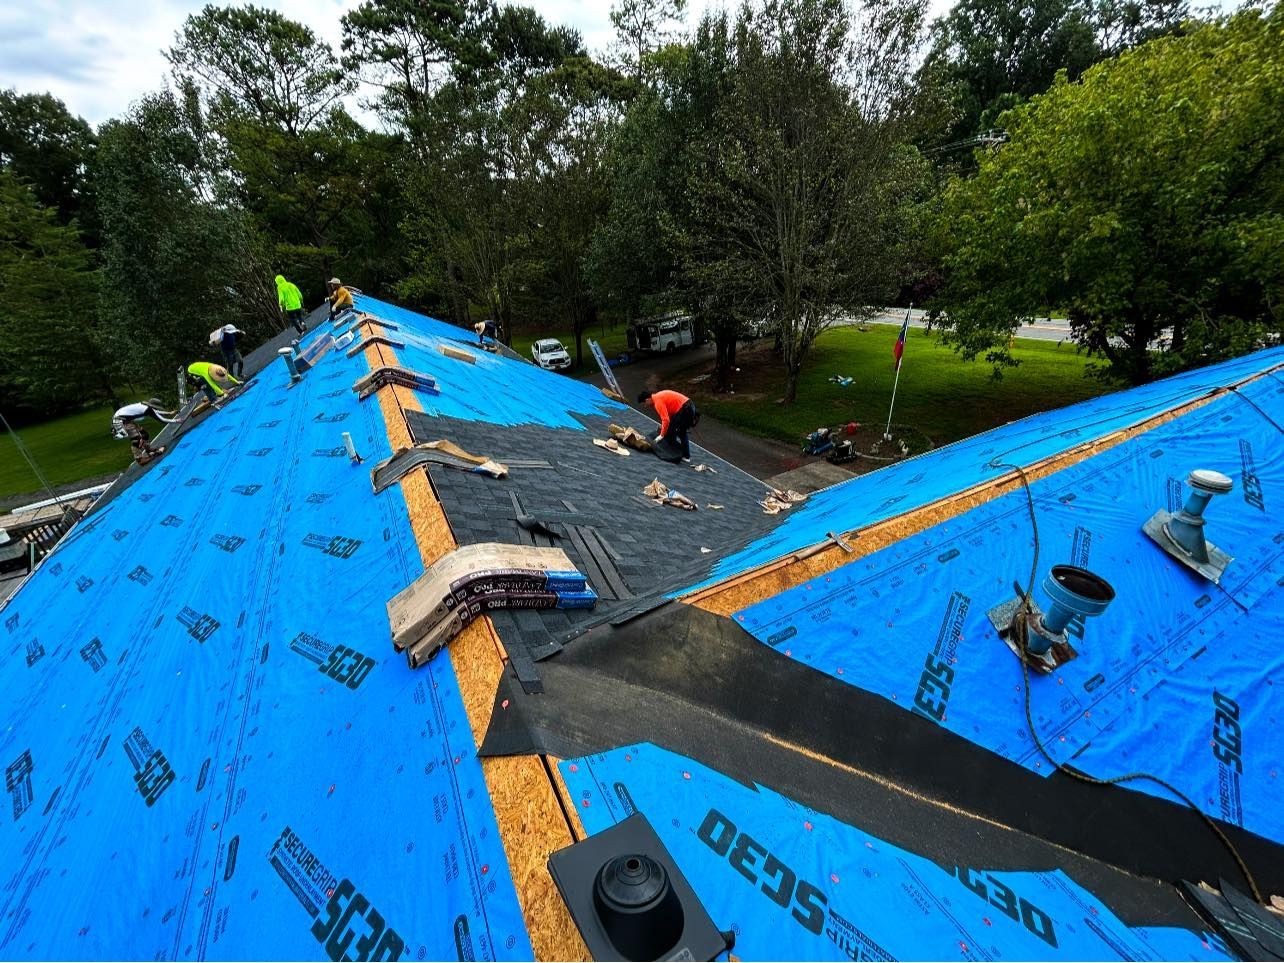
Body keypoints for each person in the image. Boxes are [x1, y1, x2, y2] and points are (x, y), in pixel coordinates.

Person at [638, 388, 699, 463]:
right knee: (672, 429)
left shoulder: (658, 402)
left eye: (644, 404)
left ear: (647, 399)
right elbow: (669, 416)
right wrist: (664, 428)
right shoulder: (657, 397)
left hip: (686, 409)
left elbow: (666, 420)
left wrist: (661, 435)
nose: (645, 406)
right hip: (687, 406)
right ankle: (675, 451)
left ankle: (685, 456)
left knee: (681, 432)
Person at [112, 398, 176, 462]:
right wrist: (176, 420)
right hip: (120, 421)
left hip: (126, 419)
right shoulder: (146, 409)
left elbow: (155, 411)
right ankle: (139, 459)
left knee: (144, 434)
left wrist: (169, 413)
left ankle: (148, 450)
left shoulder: (145, 405)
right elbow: (161, 419)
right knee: (136, 439)